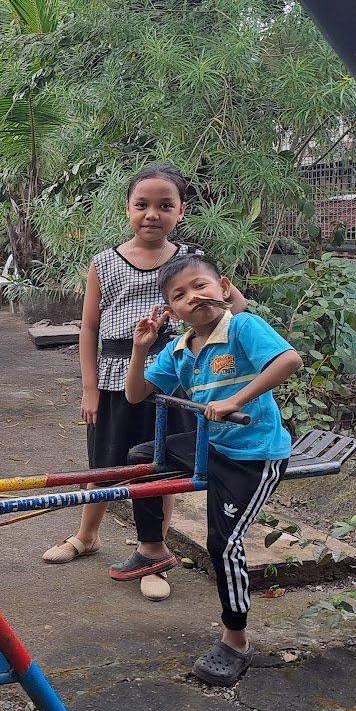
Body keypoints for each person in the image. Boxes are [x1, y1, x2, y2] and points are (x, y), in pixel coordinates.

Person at [40, 163, 246, 599]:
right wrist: (89, 387)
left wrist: (216, 292)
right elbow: (90, 328)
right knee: (106, 463)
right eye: (142, 205)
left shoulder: (190, 260)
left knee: (158, 466)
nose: (152, 214)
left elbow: (235, 305)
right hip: (116, 375)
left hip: (171, 380)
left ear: (181, 211)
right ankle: (86, 537)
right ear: (128, 208)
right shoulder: (104, 263)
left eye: (164, 206)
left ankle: (154, 555)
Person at [122, 254, 302, 687]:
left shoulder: (242, 327)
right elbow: (136, 394)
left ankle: (235, 641)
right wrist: (140, 347)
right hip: (212, 445)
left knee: (223, 543)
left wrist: (236, 400)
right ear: (172, 310)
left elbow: (289, 361)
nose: (193, 297)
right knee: (142, 459)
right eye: (179, 295)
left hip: (253, 454)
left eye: (200, 286)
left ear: (223, 287)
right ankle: (153, 544)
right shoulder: (180, 348)